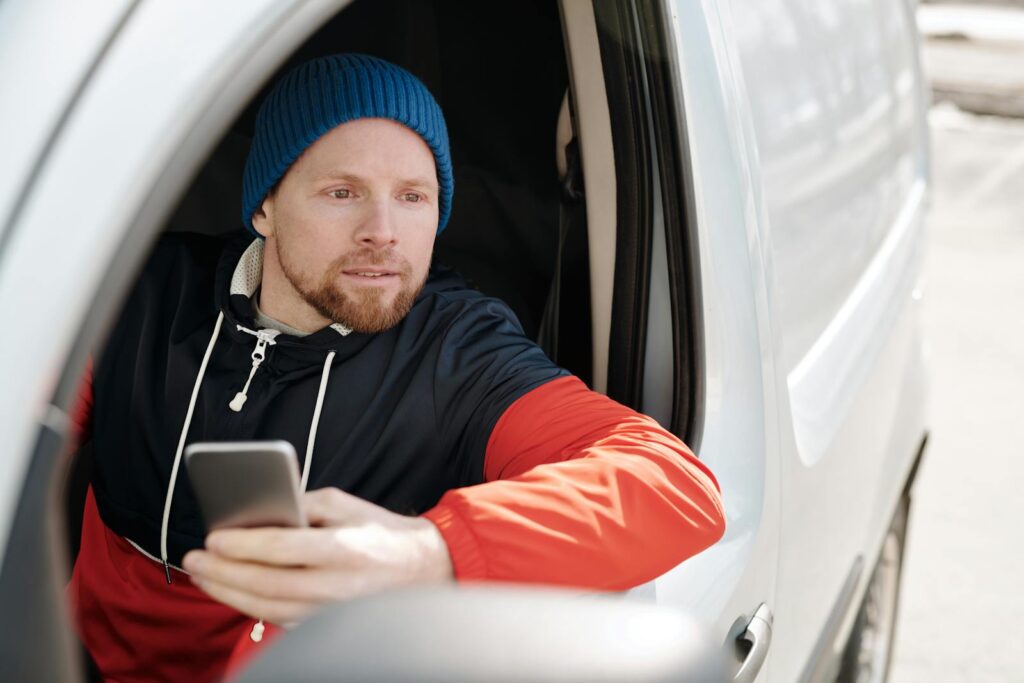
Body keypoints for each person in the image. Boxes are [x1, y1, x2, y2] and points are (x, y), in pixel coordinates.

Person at [68, 53, 725, 682]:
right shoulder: (140, 294)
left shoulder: (460, 350)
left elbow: (672, 484)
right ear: (265, 207)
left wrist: (426, 551)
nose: (382, 230)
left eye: (413, 196)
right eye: (343, 191)